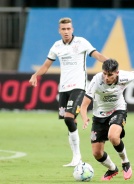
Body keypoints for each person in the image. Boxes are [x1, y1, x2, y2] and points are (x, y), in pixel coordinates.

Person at [29, 17, 108, 167]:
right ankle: (76, 158)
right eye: (63, 29)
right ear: (59, 31)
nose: (66, 31)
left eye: (68, 29)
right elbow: (46, 65)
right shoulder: (56, 46)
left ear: (72, 29)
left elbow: (97, 55)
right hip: (63, 88)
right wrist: (35, 75)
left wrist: (110, 62)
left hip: (78, 86)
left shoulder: (81, 42)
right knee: (70, 121)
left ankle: (77, 157)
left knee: (68, 117)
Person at [80, 58, 134, 181]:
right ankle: (112, 169)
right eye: (104, 74)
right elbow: (84, 105)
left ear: (117, 73)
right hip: (99, 115)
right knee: (97, 153)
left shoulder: (124, 76)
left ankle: (125, 162)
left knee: (113, 136)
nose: (106, 77)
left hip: (118, 110)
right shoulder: (97, 80)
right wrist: (84, 118)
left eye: (110, 74)